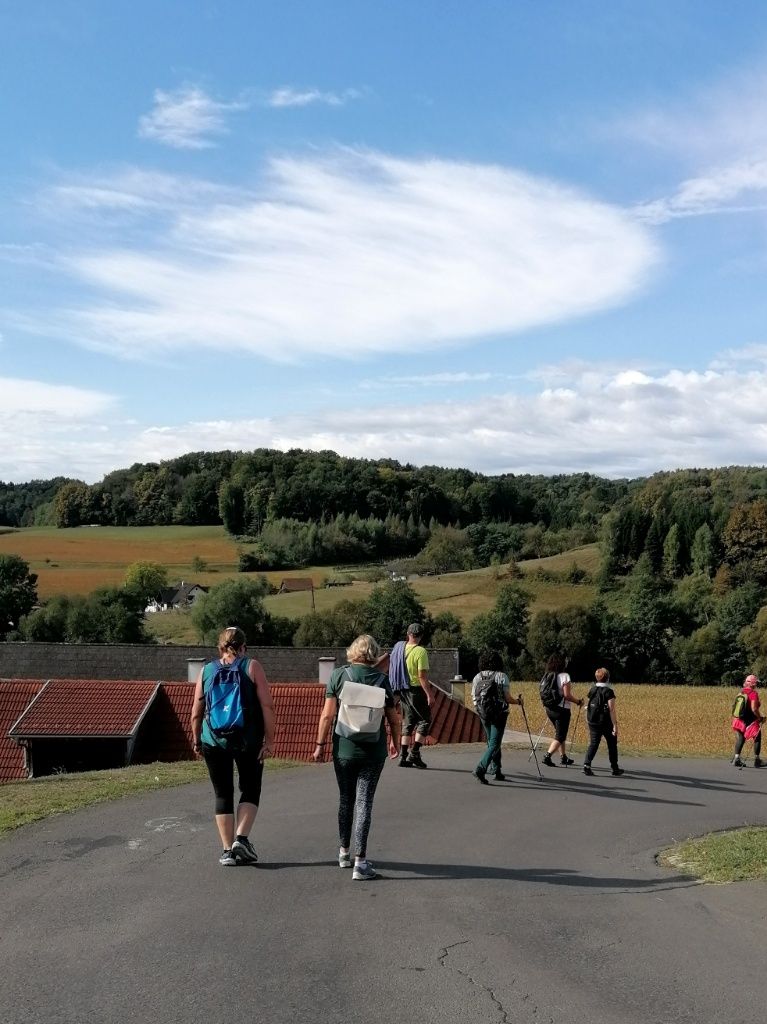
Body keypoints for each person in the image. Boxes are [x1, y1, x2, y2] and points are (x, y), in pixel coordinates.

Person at [312, 634, 400, 881]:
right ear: (373, 654)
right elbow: (393, 717)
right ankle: (360, 863)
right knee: (364, 802)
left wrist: (319, 745)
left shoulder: (339, 676)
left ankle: (343, 852)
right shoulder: (382, 680)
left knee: (346, 798)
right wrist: (395, 741)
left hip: (344, 749)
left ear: (352, 652)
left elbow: (327, 716)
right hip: (373, 751)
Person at [191, 626, 275, 866]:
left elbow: (196, 711)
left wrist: (197, 739)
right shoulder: (252, 666)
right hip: (247, 740)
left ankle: (227, 851)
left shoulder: (207, 670)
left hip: (213, 740)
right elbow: (267, 706)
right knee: (250, 787)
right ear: (243, 647)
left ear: (220, 647)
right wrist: (270, 740)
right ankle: (241, 838)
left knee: (222, 793)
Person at [471, 650, 524, 784]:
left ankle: (496, 770)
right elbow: (507, 698)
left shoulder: (477, 677)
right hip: (499, 714)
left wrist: (479, 709)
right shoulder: (502, 676)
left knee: (492, 741)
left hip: (483, 713)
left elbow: (474, 697)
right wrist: (518, 702)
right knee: (495, 743)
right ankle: (480, 768)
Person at [396, 622, 435, 768]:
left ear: (408, 634)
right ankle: (414, 752)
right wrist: (429, 695)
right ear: (421, 636)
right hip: (416, 691)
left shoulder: (400, 649)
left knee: (408, 723)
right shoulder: (421, 652)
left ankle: (403, 756)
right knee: (425, 720)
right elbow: (422, 676)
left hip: (403, 690)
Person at [541, 653, 583, 767]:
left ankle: (563, 757)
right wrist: (578, 701)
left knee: (560, 733)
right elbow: (567, 695)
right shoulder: (564, 676)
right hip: (562, 710)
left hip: (549, 708)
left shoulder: (547, 675)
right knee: (560, 736)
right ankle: (547, 756)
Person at [582, 667, 623, 777]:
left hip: (592, 721)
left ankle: (587, 765)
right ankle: (615, 768)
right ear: (607, 678)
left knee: (594, 743)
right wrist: (615, 725)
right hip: (605, 722)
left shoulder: (592, 689)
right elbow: (611, 709)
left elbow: (588, 705)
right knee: (612, 744)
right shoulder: (609, 691)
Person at [731, 674, 765, 768]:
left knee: (741, 739)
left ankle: (736, 759)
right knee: (757, 738)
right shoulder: (753, 693)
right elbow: (754, 708)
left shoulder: (741, 692)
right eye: (756, 683)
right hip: (751, 720)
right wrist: (760, 717)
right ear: (753, 683)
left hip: (739, 719)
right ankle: (757, 761)